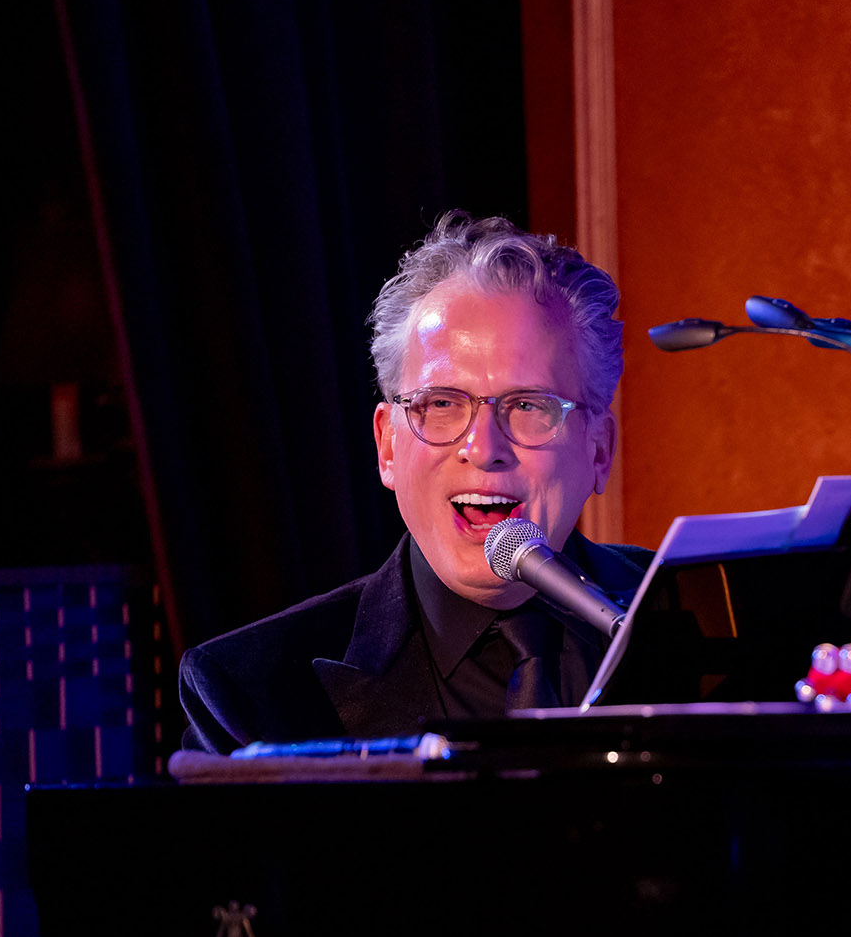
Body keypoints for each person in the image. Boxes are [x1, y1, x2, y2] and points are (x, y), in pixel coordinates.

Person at [179, 212, 650, 753]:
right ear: (387, 446)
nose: (484, 449)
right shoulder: (249, 694)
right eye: (442, 404)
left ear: (598, 450)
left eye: (527, 406)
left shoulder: (700, 619)